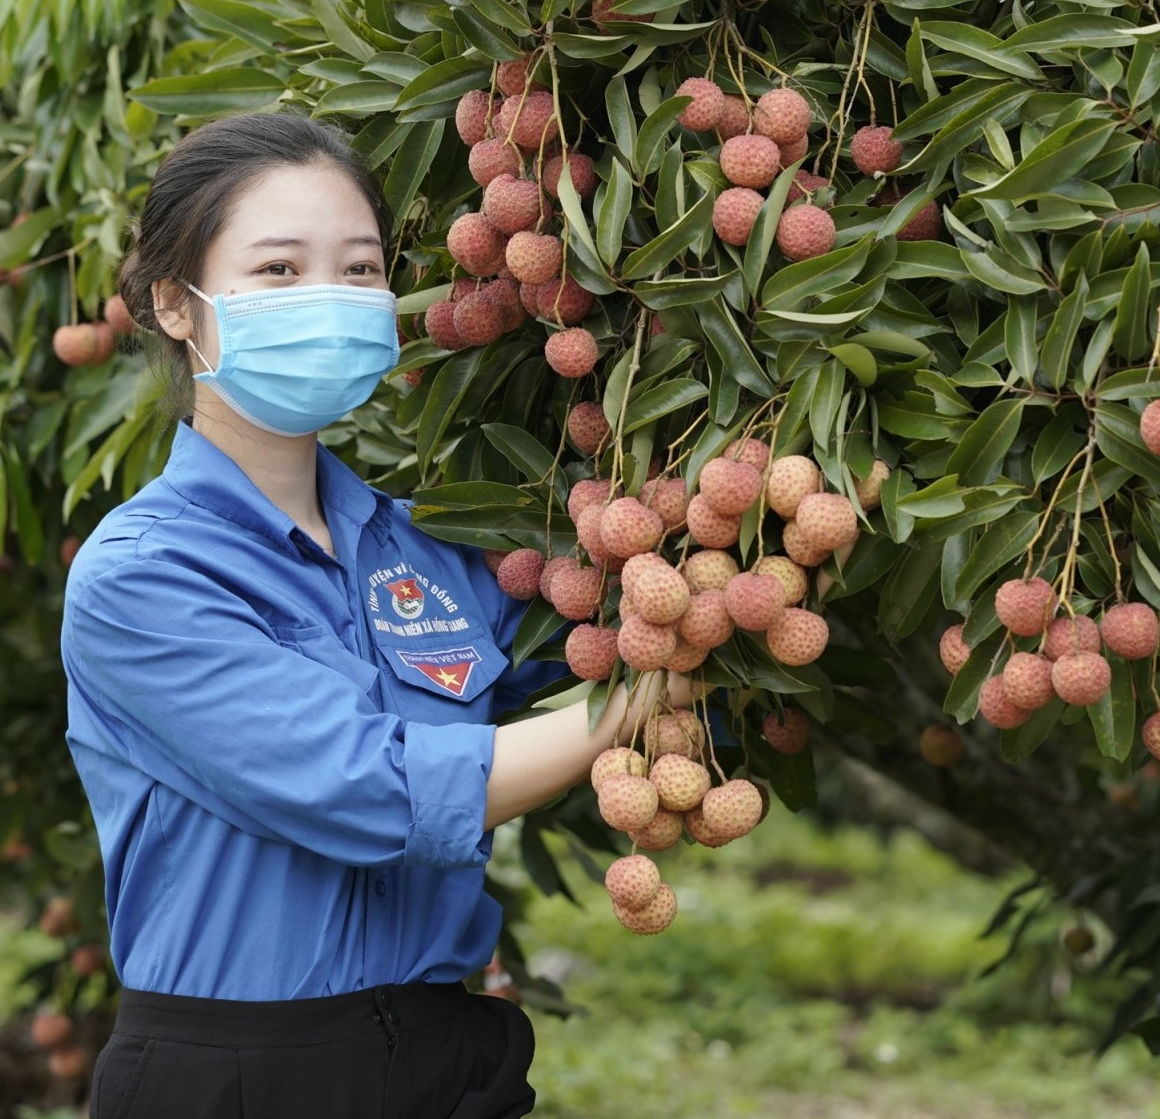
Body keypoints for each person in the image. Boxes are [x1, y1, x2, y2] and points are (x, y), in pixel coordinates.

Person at [59, 111, 700, 1119]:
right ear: (177, 305)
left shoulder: (430, 546)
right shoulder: (141, 578)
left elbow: (598, 634)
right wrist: (621, 714)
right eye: (278, 270)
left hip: (445, 1058)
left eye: (358, 270)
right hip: (236, 1074)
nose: (327, 297)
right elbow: (365, 789)